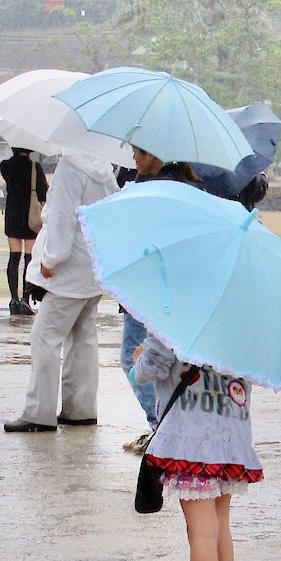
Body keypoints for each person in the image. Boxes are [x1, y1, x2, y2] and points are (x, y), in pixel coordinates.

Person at [131, 330, 260, 561]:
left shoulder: (174, 306)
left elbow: (156, 364)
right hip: (232, 432)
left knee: (201, 531)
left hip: (191, 435)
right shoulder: (244, 312)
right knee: (220, 525)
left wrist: (137, 365)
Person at [2, 150, 118, 433]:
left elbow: (62, 218)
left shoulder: (70, 168)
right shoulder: (105, 170)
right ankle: (81, 408)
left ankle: (39, 411)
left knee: (45, 336)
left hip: (68, 268)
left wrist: (51, 258)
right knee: (83, 338)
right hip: (91, 263)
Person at [117, 146, 201, 451]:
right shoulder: (191, 188)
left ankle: (160, 428)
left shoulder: (153, 193)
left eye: (139, 152)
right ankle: (167, 426)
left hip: (152, 290)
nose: (134, 159)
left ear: (156, 154)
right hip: (175, 292)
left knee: (137, 357)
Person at [0, 148, 48, 317]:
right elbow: (44, 192)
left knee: (14, 257)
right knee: (29, 258)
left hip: (12, 215)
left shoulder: (5, 166)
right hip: (30, 217)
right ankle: (26, 300)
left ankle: (13, 298)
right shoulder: (35, 168)